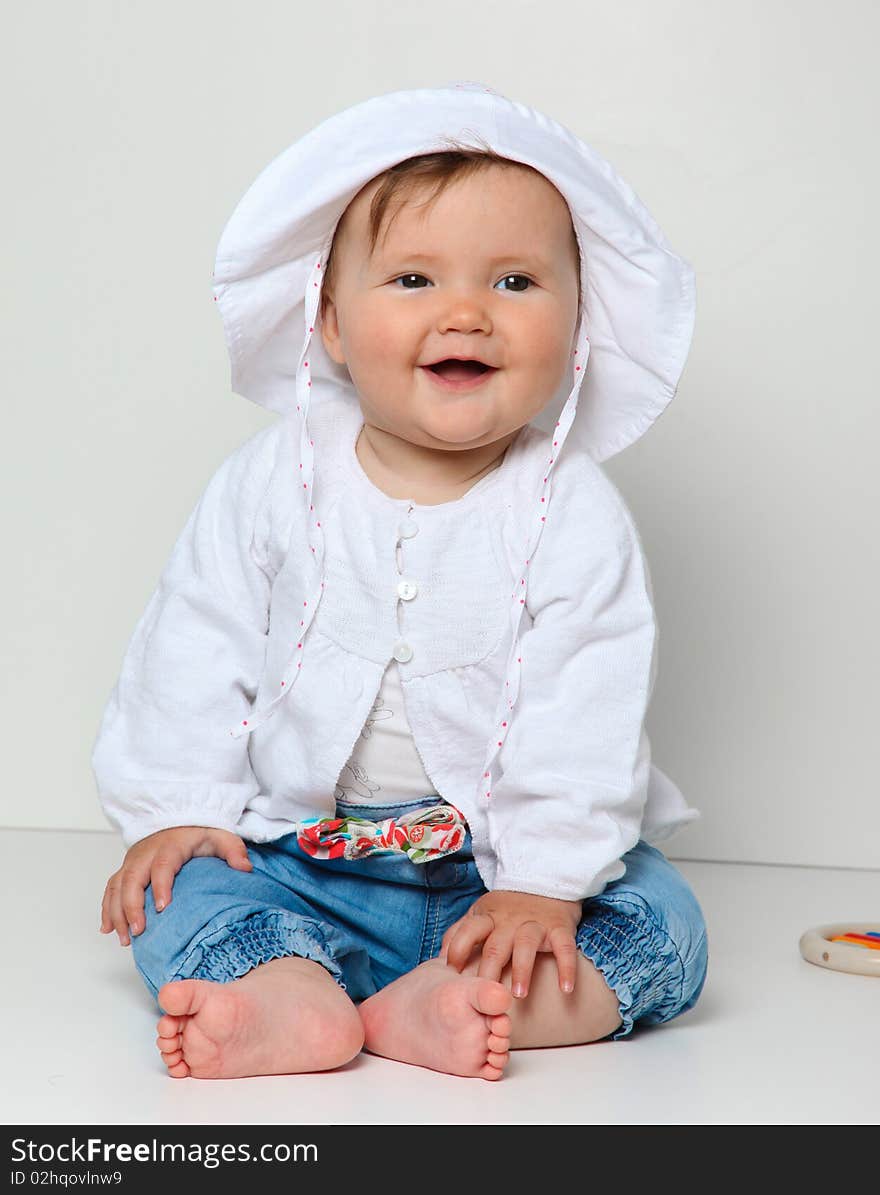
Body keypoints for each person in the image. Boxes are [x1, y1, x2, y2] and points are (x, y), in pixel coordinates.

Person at [93, 81, 708, 1081]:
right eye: (414, 279)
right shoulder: (273, 479)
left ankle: (447, 1001)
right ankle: (287, 995)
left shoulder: (573, 512)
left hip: (494, 881)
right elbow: (193, 642)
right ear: (329, 324)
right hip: (298, 861)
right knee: (177, 891)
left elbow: (584, 705)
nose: (465, 311)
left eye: (514, 283)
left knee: (664, 924)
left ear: (579, 326)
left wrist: (546, 884)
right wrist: (177, 805)